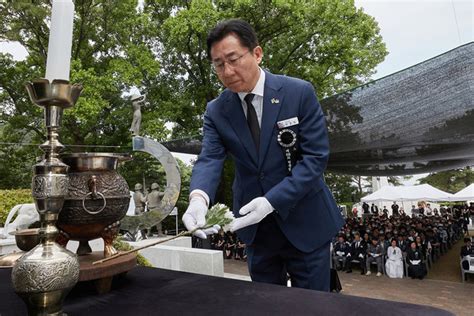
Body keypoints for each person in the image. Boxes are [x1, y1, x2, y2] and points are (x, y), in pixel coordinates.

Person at [182, 19, 344, 292]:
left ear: (257, 53)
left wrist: (272, 201)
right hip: (255, 229)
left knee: (315, 305)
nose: (227, 71)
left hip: (306, 220)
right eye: (218, 64)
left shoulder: (298, 92)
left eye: (233, 59)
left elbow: (315, 158)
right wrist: (198, 199)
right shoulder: (216, 110)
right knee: (264, 302)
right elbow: (210, 157)